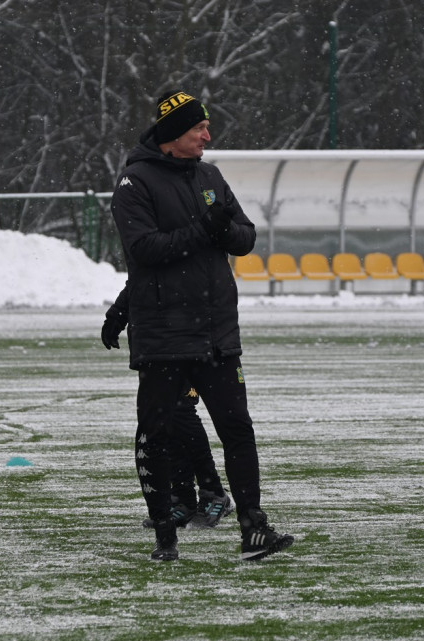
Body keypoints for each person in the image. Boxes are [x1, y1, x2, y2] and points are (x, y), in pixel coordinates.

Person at [109, 89, 294, 561]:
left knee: (238, 430)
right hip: (165, 337)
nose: (207, 137)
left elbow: (245, 237)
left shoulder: (210, 174)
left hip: (216, 335)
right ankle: (166, 538)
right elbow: (145, 251)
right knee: (158, 433)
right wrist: (205, 231)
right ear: (173, 136)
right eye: (199, 130)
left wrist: (223, 230)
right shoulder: (134, 183)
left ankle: (254, 527)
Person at [102, 285, 234, 529]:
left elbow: (206, 278)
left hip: (188, 339)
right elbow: (140, 279)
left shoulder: (189, 250)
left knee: (181, 412)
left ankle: (213, 491)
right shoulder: (153, 250)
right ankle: (183, 498)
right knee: (166, 417)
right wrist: (118, 314)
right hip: (154, 341)